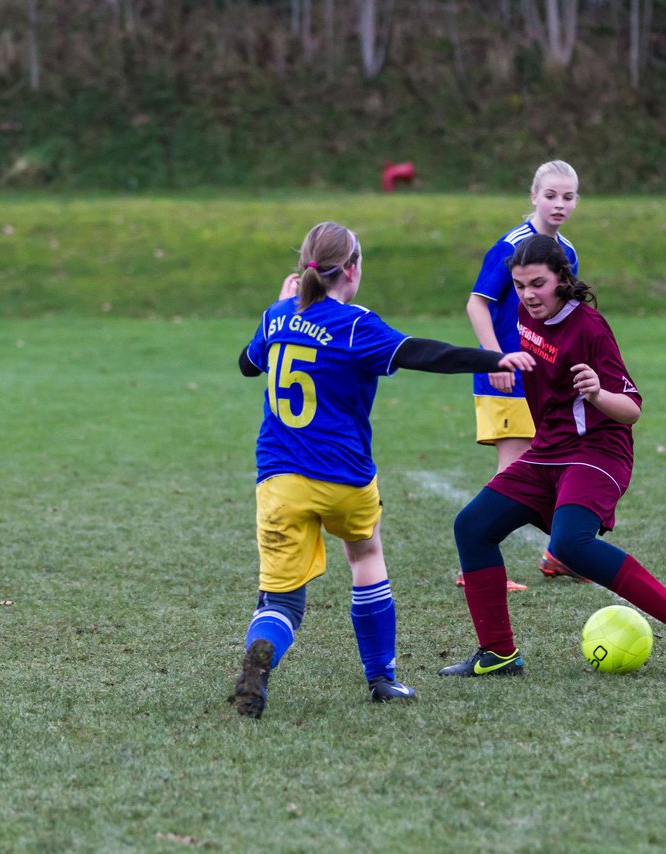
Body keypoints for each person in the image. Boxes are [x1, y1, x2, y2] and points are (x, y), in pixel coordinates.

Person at [228, 221, 535, 718]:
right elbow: (422, 353)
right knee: (366, 560)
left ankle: (260, 664)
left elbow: (247, 365)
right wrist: (494, 356)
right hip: (345, 478)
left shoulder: (276, 315)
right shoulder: (354, 324)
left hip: (280, 479)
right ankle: (382, 679)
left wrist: (277, 306)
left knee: (281, 602)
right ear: (352, 270)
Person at [439, 233, 666, 677]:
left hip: (597, 451)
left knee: (569, 544)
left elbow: (632, 411)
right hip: (547, 450)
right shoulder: (527, 320)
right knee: (472, 526)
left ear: (561, 279)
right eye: (520, 285)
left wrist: (597, 392)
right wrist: (505, 364)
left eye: (538, 283)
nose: (528, 295)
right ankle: (498, 654)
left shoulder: (589, 327)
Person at [458, 160, 583, 590]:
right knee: (514, 469)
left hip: (544, 378)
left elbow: (565, 319)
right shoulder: (511, 245)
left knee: (552, 464)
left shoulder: (567, 253)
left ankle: (559, 553)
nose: (558, 204)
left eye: (568, 197)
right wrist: (494, 358)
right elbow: (477, 304)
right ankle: (476, 564)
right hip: (506, 375)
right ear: (533, 196)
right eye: (550, 195)